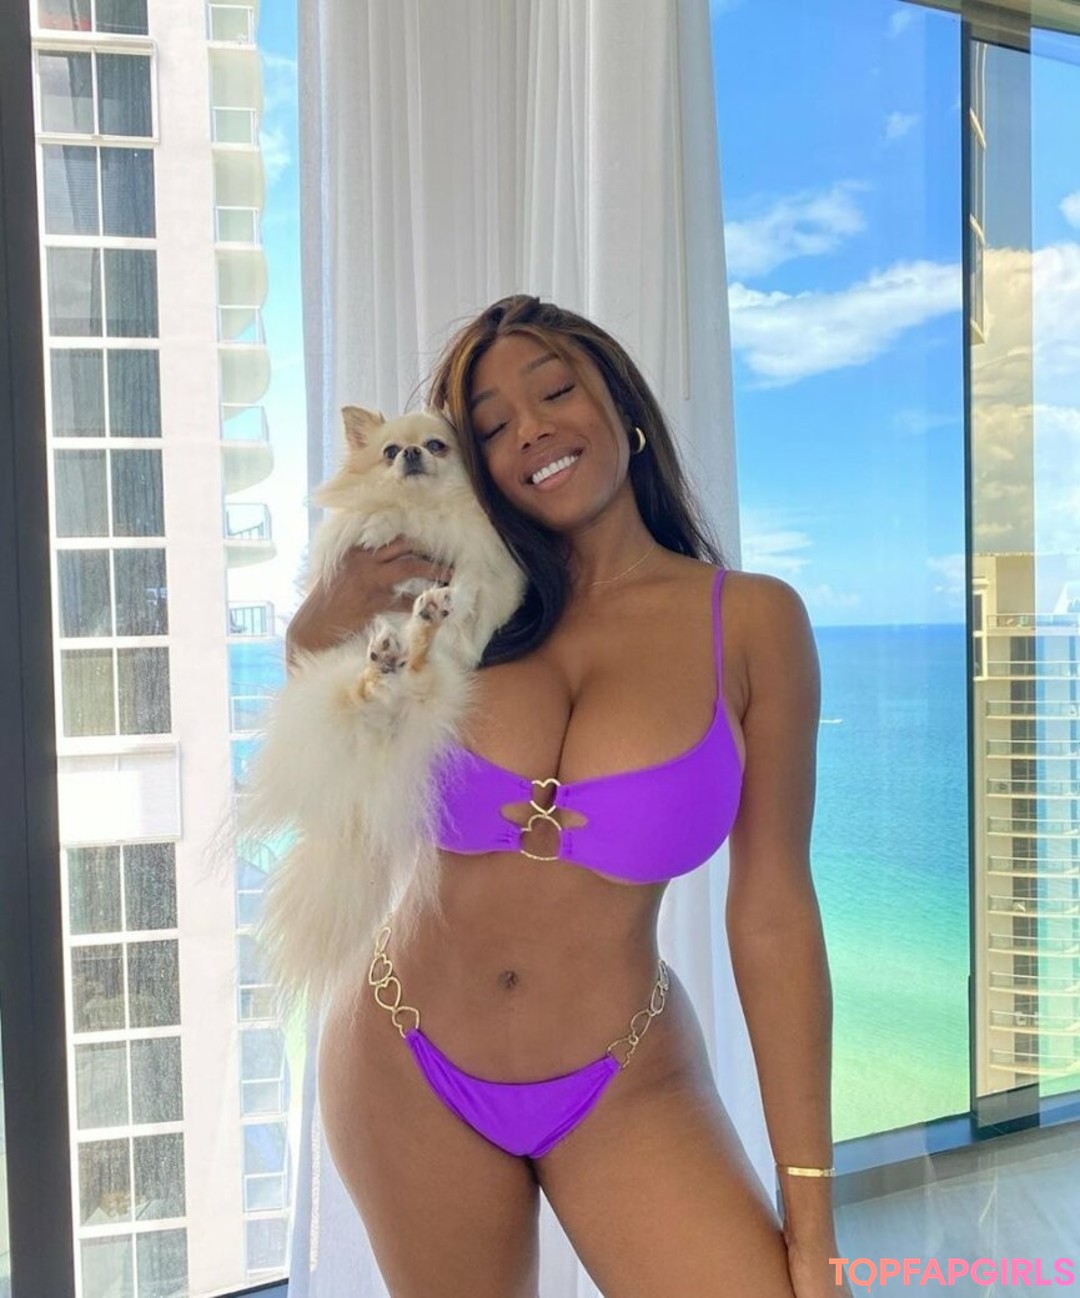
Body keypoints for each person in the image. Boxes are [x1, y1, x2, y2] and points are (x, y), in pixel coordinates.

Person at [285, 295, 849, 1298]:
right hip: (405, 1056)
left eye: (554, 391)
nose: (531, 429)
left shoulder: (755, 622)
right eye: (493, 425)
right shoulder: (456, 606)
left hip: (625, 1076)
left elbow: (772, 914)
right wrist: (315, 623)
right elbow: (334, 760)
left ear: (623, 407)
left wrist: (811, 1216)